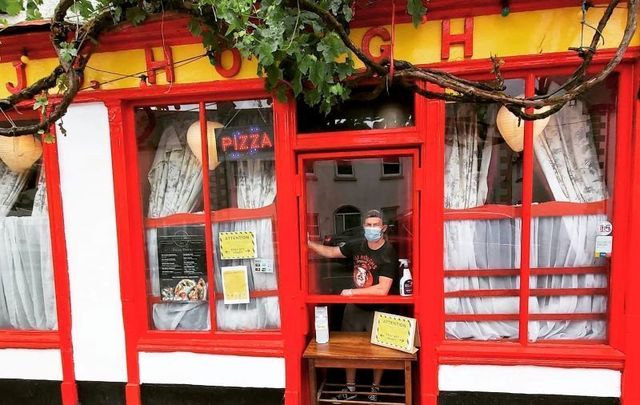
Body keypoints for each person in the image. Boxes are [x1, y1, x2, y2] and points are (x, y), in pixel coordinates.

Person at [308, 209, 398, 402]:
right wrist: (307, 243)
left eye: (375, 225)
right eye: (368, 225)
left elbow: (383, 289)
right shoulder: (358, 245)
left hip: (378, 309)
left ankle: (375, 390)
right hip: (354, 308)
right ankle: (350, 388)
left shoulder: (388, 252)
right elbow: (332, 252)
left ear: (383, 228)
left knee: (379, 352)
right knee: (348, 350)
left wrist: (351, 292)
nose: (371, 229)